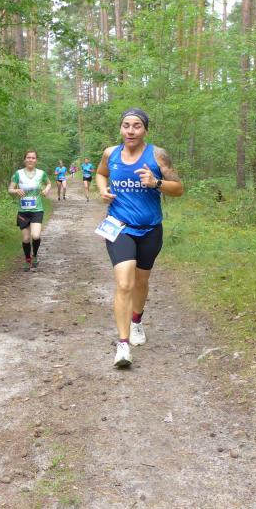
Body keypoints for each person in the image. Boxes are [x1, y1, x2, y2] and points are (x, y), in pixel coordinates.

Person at [95, 109, 183, 367]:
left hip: (150, 229)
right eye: (126, 125)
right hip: (119, 227)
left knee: (141, 281)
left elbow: (179, 189)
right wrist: (102, 190)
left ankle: (136, 321)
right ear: (120, 128)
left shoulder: (157, 155)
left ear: (145, 130)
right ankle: (122, 346)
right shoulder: (110, 154)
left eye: (136, 126)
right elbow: (101, 173)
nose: (130, 131)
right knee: (124, 283)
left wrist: (156, 183)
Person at [8, 150, 51, 271]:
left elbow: (48, 183)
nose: (30, 160)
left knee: (35, 236)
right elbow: (10, 189)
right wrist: (16, 190)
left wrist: (46, 189)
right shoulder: (18, 174)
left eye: (33, 158)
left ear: (36, 160)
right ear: (25, 159)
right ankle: (28, 259)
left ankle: (35, 255)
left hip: (37, 210)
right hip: (23, 211)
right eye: (28, 157)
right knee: (26, 238)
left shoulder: (41, 173)